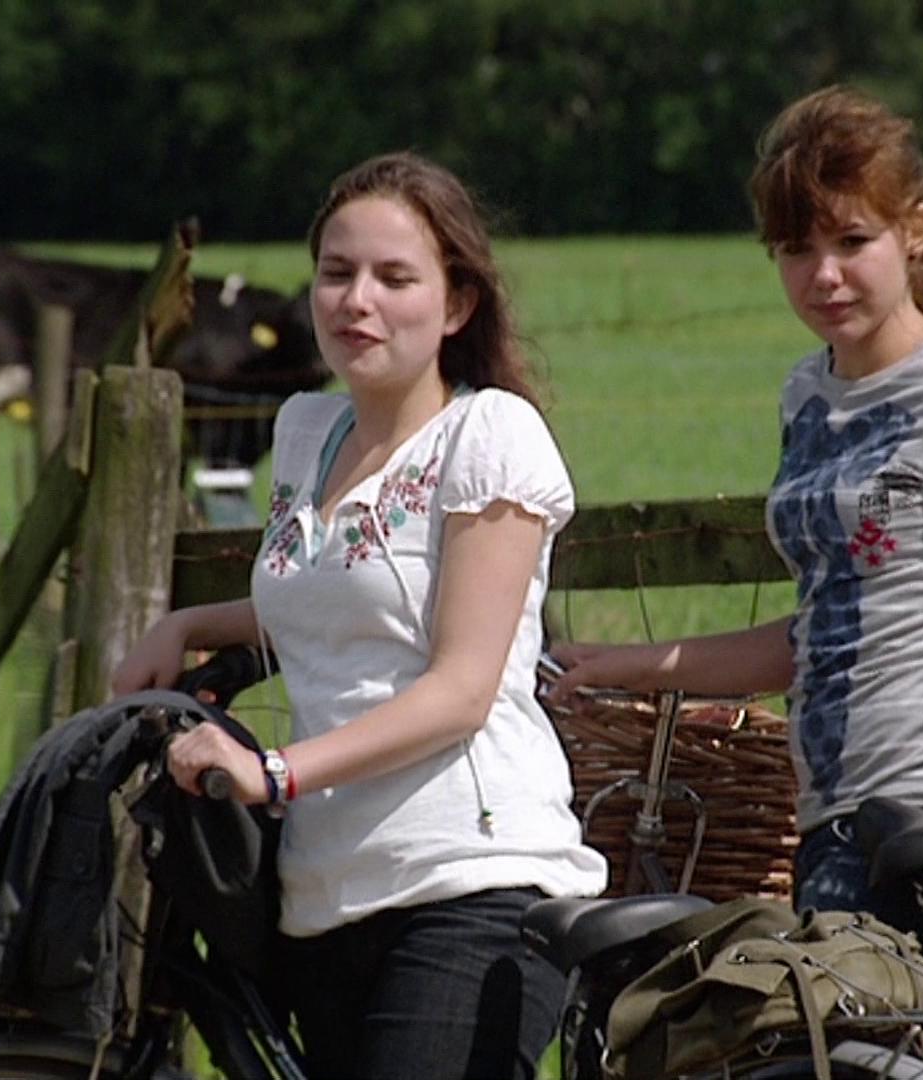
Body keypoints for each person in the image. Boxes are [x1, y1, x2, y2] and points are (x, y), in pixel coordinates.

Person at [550, 86, 923, 979]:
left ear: (914, 231)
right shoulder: (807, 395)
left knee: (885, 1040)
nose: (824, 275)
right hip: (831, 815)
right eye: (796, 250)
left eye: (852, 241)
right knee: (842, 1041)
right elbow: (823, 629)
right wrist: (631, 667)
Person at [112, 151, 606, 1079]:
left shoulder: (489, 436)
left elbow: (461, 688)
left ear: (457, 304)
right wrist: (188, 627)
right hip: (326, 896)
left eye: (394, 278)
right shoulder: (308, 432)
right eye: (336, 273)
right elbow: (334, 595)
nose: (357, 301)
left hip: (470, 887)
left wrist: (274, 772)